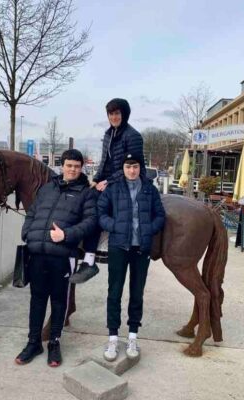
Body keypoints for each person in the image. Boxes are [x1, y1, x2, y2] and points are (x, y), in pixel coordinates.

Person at [16, 149, 97, 367]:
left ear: (81, 168)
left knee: (59, 301)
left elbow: (90, 222)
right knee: (37, 299)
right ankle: (33, 342)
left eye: (77, 166)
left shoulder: (86, 193)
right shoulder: (47, 188)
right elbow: (32, 213)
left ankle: (54, 343)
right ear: (62, 166)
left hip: (63, 256)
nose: (73, 170)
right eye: (69, 165)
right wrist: (27, 233)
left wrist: (66, 235)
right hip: (37, 253)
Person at [70, 98, 146, 284]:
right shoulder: (108, 134)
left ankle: (89, 260)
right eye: (110, 114)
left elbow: (133, 167)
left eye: (117, 113)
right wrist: (96, 180)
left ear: (124, 114)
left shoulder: (133, 136)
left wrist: (108, 182)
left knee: (96, 208)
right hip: (109, 181)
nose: (113, 117)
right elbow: (104, 163)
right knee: (84, 197)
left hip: (127, 181)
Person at [97, 153, 165, 361]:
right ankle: (113, 337)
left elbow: (160, 215)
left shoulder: (150, 189)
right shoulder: (113, 189)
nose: (132, 170)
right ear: (123, 169)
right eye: (128, 167)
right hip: (119, 247)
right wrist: (114, 226)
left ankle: (133, 336)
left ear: (140, 168)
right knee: (114, 292)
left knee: (137, 293)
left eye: (135, 166)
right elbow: (101, 213)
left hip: (141, 249)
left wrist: (149, 230)